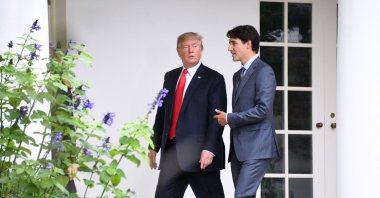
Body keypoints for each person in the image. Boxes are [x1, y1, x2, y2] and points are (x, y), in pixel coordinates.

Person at [148, 32, 227, 198]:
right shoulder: (170, 77)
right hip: (172, 153)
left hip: (200, 156)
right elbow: (162, 113)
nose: (191, 50)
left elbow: (217, 119)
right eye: (186, 46)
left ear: (201, 50)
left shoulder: (214, 79)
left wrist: (209, 149)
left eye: (195, 46)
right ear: (178, 51)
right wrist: (153, 146)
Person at [214, 25, 280, 198]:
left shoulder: (264, 72)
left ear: (248, 44)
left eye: (233, 43)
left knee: (242, 196)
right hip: (238, 149)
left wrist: (229, 118)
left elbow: (263, 110)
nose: (229, 48)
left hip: (258, 147)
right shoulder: (237, 75)